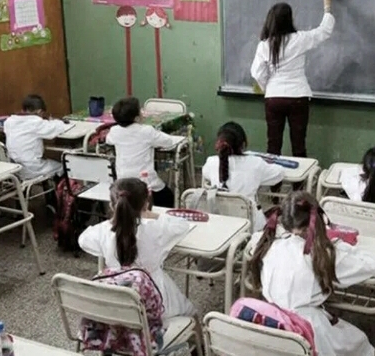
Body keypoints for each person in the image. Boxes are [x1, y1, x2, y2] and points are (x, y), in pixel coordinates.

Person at [248, 191, 375, 356]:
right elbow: (371, 265)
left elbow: (254, 239)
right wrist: (340, 245)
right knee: (359, 342)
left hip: (271, 321)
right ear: (317, 220)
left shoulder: (267, 242)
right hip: (308, 329)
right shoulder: (324, 254)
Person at [78, 178, 197, 319]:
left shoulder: (103, 231)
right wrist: (152, 215)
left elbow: (83, 240)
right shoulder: (155, 228)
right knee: (190, 312)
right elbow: (182, 225)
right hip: (155, 297)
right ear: (146, 204)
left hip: (118, 299)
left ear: (111, 206)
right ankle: (198, 339)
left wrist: (113, 221)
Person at [251, 0, 335, 160]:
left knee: (273, 146)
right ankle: (299, 186)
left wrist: (269, 87)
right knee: (299, 145)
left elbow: (257, 72)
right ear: (290, 20)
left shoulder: (264, 45)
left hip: (274, 98)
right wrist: (327, 5)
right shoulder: (300, 39)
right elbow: (324, 31)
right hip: (298, 96)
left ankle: (274, 186)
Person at [202, 121, 284, 231]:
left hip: (220, 225)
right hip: (251, 227)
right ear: (243, 144)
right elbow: (279, 174)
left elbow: (206, 173)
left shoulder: (211, 162)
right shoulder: (255, 163)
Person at [106, 97, 177, 208]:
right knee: (168, 197)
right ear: (137, 118)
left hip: (122, 182)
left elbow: (108, 140)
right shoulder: (146, 131)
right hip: (146, 183)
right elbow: (169, 142)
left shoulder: (114, 131)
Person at [3, 94, 70, 180]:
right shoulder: (35, 122)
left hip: (15, 168)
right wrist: (56, 121)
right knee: (62, 166)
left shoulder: (9, 121)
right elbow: (58, 128)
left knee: (47, 163)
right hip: (31, 168)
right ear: (39, 112)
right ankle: (58, 192)